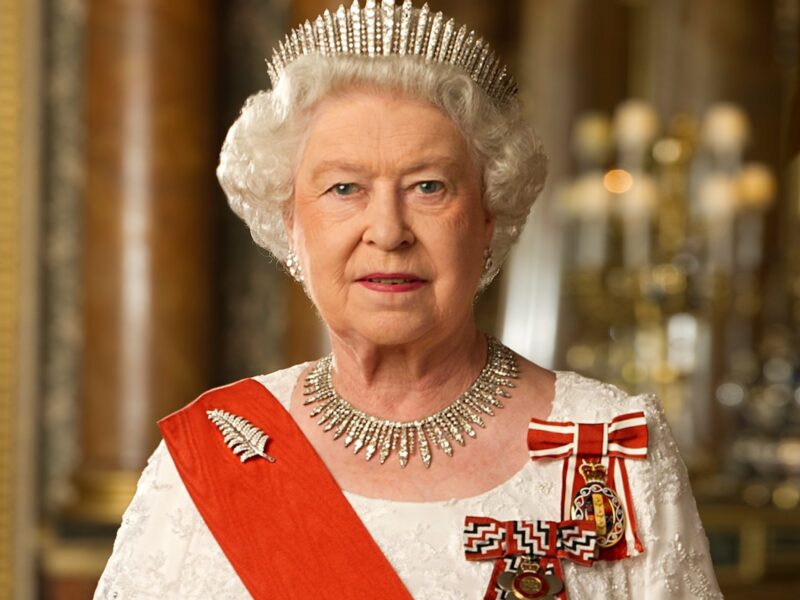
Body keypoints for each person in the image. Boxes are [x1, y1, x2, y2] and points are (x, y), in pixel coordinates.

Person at [94, 1, 723, 598]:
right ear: (291, 224)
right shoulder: (213, 455)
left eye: (428, 187)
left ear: (486, 216)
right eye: (344, 188)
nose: (389, 231)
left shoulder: (607, 445)